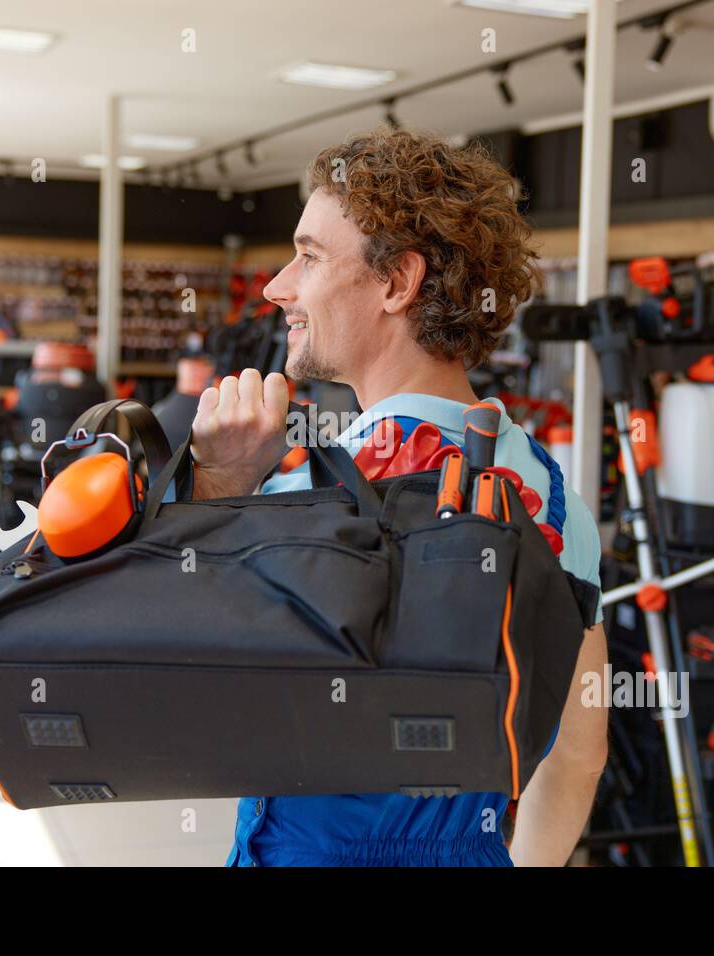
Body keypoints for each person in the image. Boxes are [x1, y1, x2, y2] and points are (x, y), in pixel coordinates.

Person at [188, 128, 607, 867]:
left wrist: (218, 485)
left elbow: (189, 699)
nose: (276, 286)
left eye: (309, 257)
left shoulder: (309, 493)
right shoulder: (550, 491)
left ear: (397, 283)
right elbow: (577, 754)